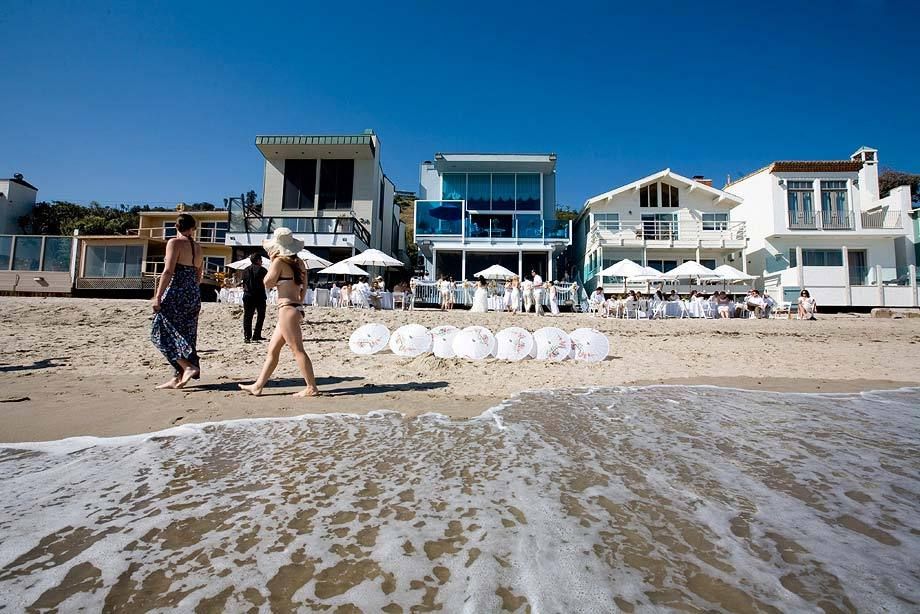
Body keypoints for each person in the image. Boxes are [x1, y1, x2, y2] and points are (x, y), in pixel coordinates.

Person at [239, 228, 321, 398]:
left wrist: (272, 262)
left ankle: (311, 387)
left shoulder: (278, 262)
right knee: (273, 350)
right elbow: (304, 287)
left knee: (297, 350)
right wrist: (298, 301)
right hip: (295, 307)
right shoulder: (300, 263)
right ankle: (258, 386)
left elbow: (267, 283)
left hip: (286, 309)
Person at [151, 213, 203, 389]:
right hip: (193, 294)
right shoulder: (198, 247)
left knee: (159, 331)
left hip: (177, 292)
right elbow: (198, 276)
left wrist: (158, 296)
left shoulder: (174, 243)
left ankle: (187, 366)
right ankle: (177, 378)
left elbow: (168, 271)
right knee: (186, 334)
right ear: (193, 228)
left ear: (176, 227)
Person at [241, 253, 267, 343]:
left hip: (248, 295)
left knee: (247, 316)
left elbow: (243, 282)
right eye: (261, 260)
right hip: (259, 295)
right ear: (258, 260)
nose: (262, 262)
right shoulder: (262, 270)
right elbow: (267, 282)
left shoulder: (245, 270)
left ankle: (247, 336)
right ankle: (256, 335)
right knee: (261, 315)